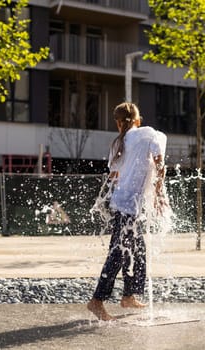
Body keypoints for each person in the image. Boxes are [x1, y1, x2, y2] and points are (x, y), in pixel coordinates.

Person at [87, 102, 167, 321]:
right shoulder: (148, 134)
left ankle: (129, 295)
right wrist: (159, 193)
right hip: (129, 208)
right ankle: (97, 300)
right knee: (118, 253)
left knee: (137, 250)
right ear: (138, 120)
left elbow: (114, 176)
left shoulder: (117, 144)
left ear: (118, 123)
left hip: (123, 204)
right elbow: (160, 164)